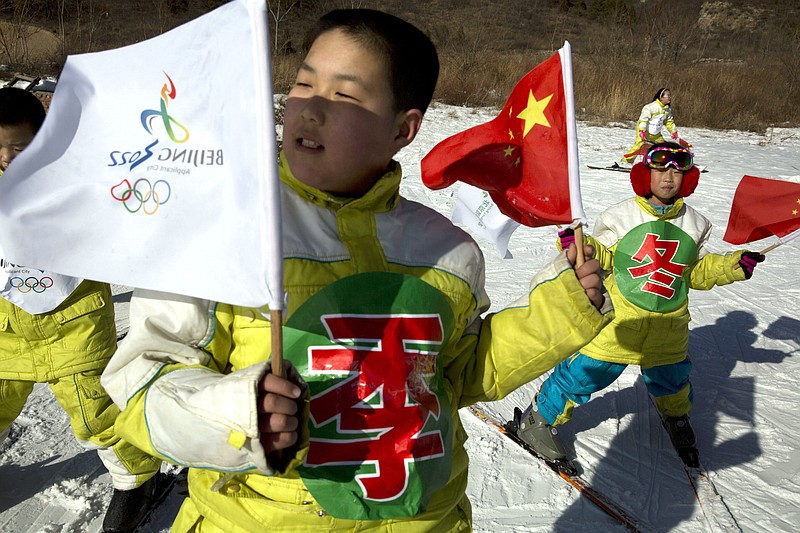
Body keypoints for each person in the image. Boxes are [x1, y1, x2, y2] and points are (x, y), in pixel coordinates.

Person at [100, 9, 611, 532]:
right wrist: (239, 415)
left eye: (344, 94)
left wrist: (563, 308)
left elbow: (459, 374)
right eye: (303, 83)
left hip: (424, 519)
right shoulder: (224, 231)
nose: (309, 108)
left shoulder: (448, 252)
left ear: (402, 128)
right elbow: (142, 383)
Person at [514, 142, 765, 469]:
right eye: (661, 169)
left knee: (673, 380)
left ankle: (675, 418)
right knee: (584, 372)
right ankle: (538, 420)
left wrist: (732, 266)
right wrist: (579, 244)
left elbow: (696, 271)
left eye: (677, 170)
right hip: (620, 322)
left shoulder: (695, 223)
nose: (669, 177)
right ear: (645, 174)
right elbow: (602, 257)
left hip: (667, 327)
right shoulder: (622, 217)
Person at [0, 86, 167, 533]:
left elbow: (122, 218)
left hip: (72, 325)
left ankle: (138, 479)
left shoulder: (77, 183)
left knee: (95, 413)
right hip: (6, 331)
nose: (6, 157)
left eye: (18, 146)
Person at [621, 88, 680, 164]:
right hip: (645, 131)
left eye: (670, 95)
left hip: (656, 133)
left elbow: (669, 122)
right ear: (661, 97)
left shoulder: (667, 110)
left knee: (663, 146)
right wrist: (642, 130)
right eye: (668, 95)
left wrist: (673, 131)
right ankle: (625, 161)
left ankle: (660, 161)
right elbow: (643, 120)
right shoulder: (650, 107)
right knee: (639, 146)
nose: (670, 97)